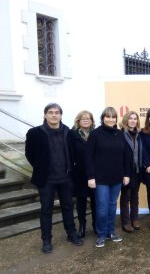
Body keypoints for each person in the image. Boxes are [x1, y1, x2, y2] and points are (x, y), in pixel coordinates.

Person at [25, 103, 83, 254]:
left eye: (57, 112)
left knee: (68, 207)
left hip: (66, 178)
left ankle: (71, 234)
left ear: (61, 115)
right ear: (45, 115)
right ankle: (46, 240)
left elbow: (75, 152)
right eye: (50, 112)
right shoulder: (35, 133)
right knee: (46, 210)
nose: (54, 115)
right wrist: (41, 168)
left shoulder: (68, 132)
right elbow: (29, 154)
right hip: (46, 179)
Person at [85, 107, 131, 248]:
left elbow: (127, 156)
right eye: (108, 117)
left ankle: (111, 232)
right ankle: (101, 234)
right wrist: (90, 177)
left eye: (113, 117)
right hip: (100, 179)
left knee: (112, 206)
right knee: (102, 207)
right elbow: (88, 157)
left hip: (117, 178)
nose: (111, 119)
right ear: (103, 118)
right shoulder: (95, 134)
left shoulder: (120, 134)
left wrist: (127, 174)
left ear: (116, 119)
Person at [71, 110, 96, 238]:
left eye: (88, 118)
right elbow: (69, 154)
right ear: (78, 121)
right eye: (83, 118)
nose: (85, 120)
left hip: (95, 174)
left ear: (92, 121)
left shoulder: (97, 134)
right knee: (80, 201)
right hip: (79, 174)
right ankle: (82, 225)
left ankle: (96, 224)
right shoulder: (72, 134)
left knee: (95, 200)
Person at [119, 111, 142, 232]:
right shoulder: (121, 134)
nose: (133, 121)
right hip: (125, 171)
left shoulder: (139, 134)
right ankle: (126, 221)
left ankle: (135, 219)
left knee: (135, 195)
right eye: (130, 118)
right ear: (126, 120)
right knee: (125, 196)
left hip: (136, 170)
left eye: (135, 119)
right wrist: (124, 173)